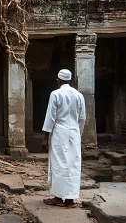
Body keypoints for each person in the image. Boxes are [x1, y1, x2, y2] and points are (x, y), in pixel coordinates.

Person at [42, 69, 86, 208]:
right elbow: (82, 118)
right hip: (74, 132)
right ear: (71, 80)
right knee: (73, 164)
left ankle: (58, 198)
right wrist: (78, 134)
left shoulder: (55, 94)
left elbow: (50, 117)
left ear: (59, 80)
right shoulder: (79, 95)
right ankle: (70, 200)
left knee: (59, 163)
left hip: (60, 132)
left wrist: (45, 137)